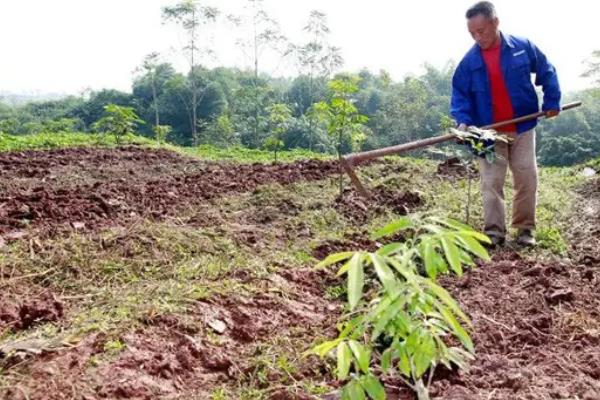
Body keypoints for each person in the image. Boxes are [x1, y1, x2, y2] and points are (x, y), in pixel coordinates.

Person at [451, 1, 561, 247]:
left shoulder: (522, 47)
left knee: (526, 177)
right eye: (472, 33)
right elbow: (460, 95)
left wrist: (552, 100)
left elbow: (546, 70)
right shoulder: (468, 62)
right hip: (487, 132)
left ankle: (525, 230)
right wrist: (463, 122)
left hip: (523, 126)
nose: (478, 37)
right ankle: (494, 233)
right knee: (491, 182)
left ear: (495, 22)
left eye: (482, 31)